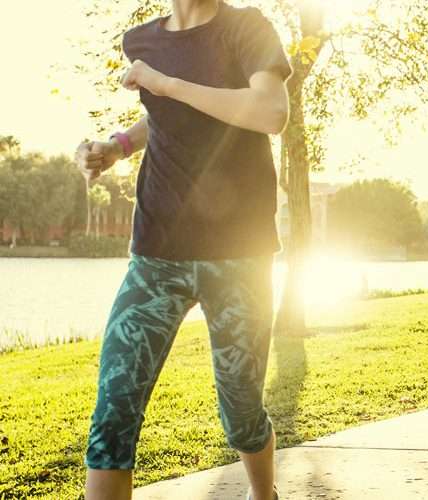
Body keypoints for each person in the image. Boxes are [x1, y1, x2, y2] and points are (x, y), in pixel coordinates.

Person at [74, 1, 291, 498]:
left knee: (240, 410)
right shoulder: (144, 41)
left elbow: (269, 112)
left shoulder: (247, 28)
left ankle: (264, 495)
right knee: (115, 406)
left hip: (240, 253)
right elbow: (168, 117)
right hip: (157, 251)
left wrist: (165, 82)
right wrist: (118, 145)